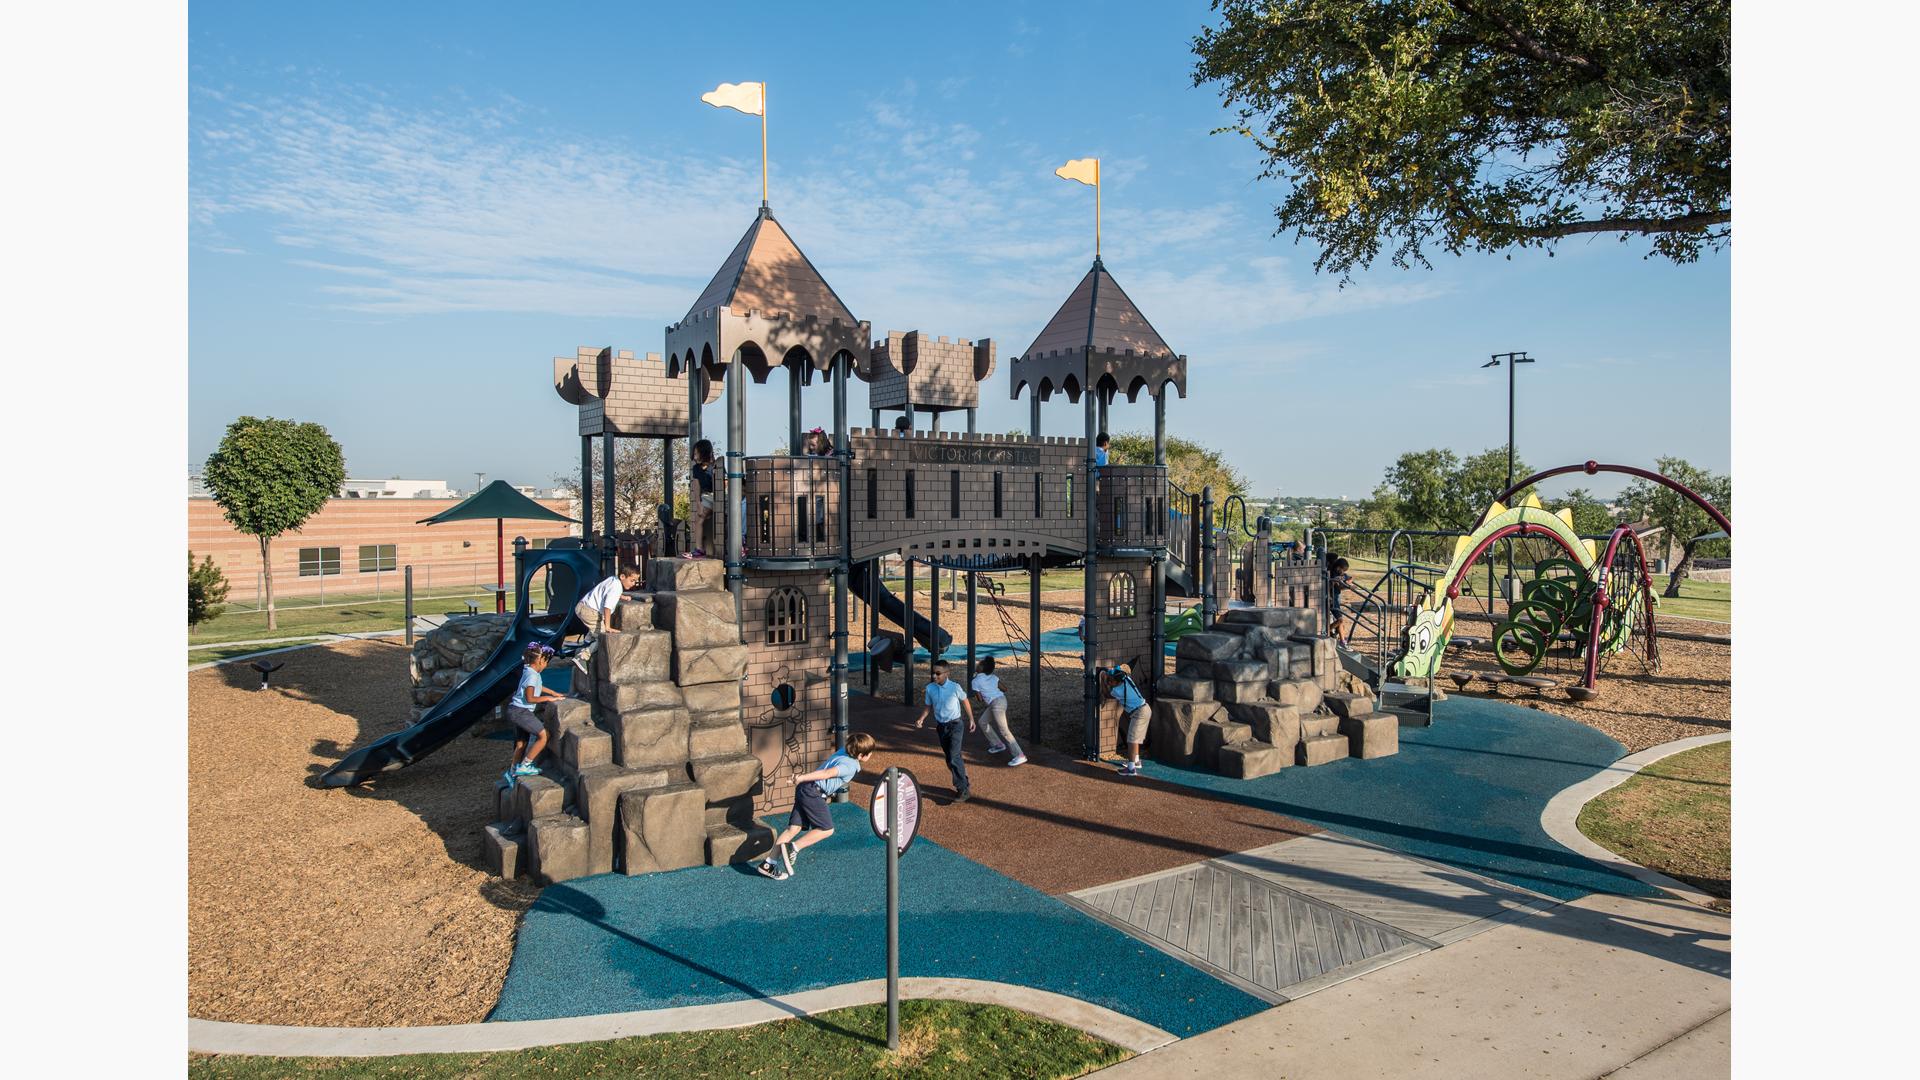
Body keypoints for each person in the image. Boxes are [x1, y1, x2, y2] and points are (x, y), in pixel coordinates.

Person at [757, 732, 877, 880]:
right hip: (813, 792)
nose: (871, 755)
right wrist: (801, 777)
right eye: (870, 753)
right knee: (827, 829)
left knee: (793, 829)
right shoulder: (850, 766)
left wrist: (803, 780)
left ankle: (768, 864)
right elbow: (827, 773)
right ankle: (794, 847)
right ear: (860, 755)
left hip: (805, 788)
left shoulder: (843, 750)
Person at [505, 643, 565, 787]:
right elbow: (530, 697)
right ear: (539, 661)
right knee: (544, 735)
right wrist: (549, 698)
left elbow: (537, 686)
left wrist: (552, 692)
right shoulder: (532, 676)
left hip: (514, 709)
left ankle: (512, 772)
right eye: (545, 662)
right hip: (521, 712)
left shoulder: (529, 671)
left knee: (522, 743)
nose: (545, 665)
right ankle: (526, 765)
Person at [914, 659, 975, 801]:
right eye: (933, 673)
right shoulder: (930, 688)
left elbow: (965, 700)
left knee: (954, 756)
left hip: (955, 725)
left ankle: (963, 789)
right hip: (941, 727)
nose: (935, 676)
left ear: (947, 673)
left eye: (938, 673)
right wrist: (921, 718)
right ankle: (963, 780)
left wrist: (971, 719)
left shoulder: (954, 687)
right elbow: (928, 706)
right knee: (950, 758)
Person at [571, 562, 642, 677]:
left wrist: (622, 596)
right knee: (603, 637)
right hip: (590, 611)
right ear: (622, 577)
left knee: (595, 630)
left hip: (582, 607)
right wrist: (608, 626)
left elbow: (605, 591)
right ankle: (582, 657)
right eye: (632, 580)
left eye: (635, 581)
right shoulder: (616, 588)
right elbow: (607, 608)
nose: (633, 584)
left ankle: (588, 641)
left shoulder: (613, 580)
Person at [969, 656, 1026, 766]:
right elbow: (1005, 689)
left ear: (981, 668)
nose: (977, 665)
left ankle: (1020, 755)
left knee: (1004, 730)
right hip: (1001, 700)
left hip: (996, 704)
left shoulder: (975, 681)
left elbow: (980, 699)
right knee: (982, 722)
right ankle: (998, 744)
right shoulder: (993, 677)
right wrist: (991, 688)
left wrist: (981, 692)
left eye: (979, 664)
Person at [1102, 663, 1150, 777]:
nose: (1109, 682)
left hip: (1139, 713)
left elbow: (1107, 694)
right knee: (1135, 739)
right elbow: (1118, 672)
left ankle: (1131, 769)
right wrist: (1109, 673)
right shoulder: (1127, 679)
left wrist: (1103, 681)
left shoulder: (1117, 691)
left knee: (1132, 740)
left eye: (1111, 681)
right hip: (1144, 709)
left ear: (1117, 682)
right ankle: (1136, 761)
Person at [684, 438, 716, 559]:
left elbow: (723, 484)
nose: (695, 456)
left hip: (718, 496)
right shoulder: (696, 468)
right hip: (707, 496)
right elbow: (696, 486)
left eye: (697, 453)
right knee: (699, 519)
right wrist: (698, 503)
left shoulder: (715, 466)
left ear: (704, 452)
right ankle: (699, 549)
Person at [1327, 555, 1354, 642]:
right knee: (1340, 620)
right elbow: (1335, 586)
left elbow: (1350, 578)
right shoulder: (1332, 574)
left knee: (1340, 622)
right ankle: (1328, 631)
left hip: (1336, 599)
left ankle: (1342, 641)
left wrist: (1347, 583)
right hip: (1332, 599)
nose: (1343, 572)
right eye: (1343, 570)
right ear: (1338, 567)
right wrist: (1340, 583)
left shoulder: (1340, 574)